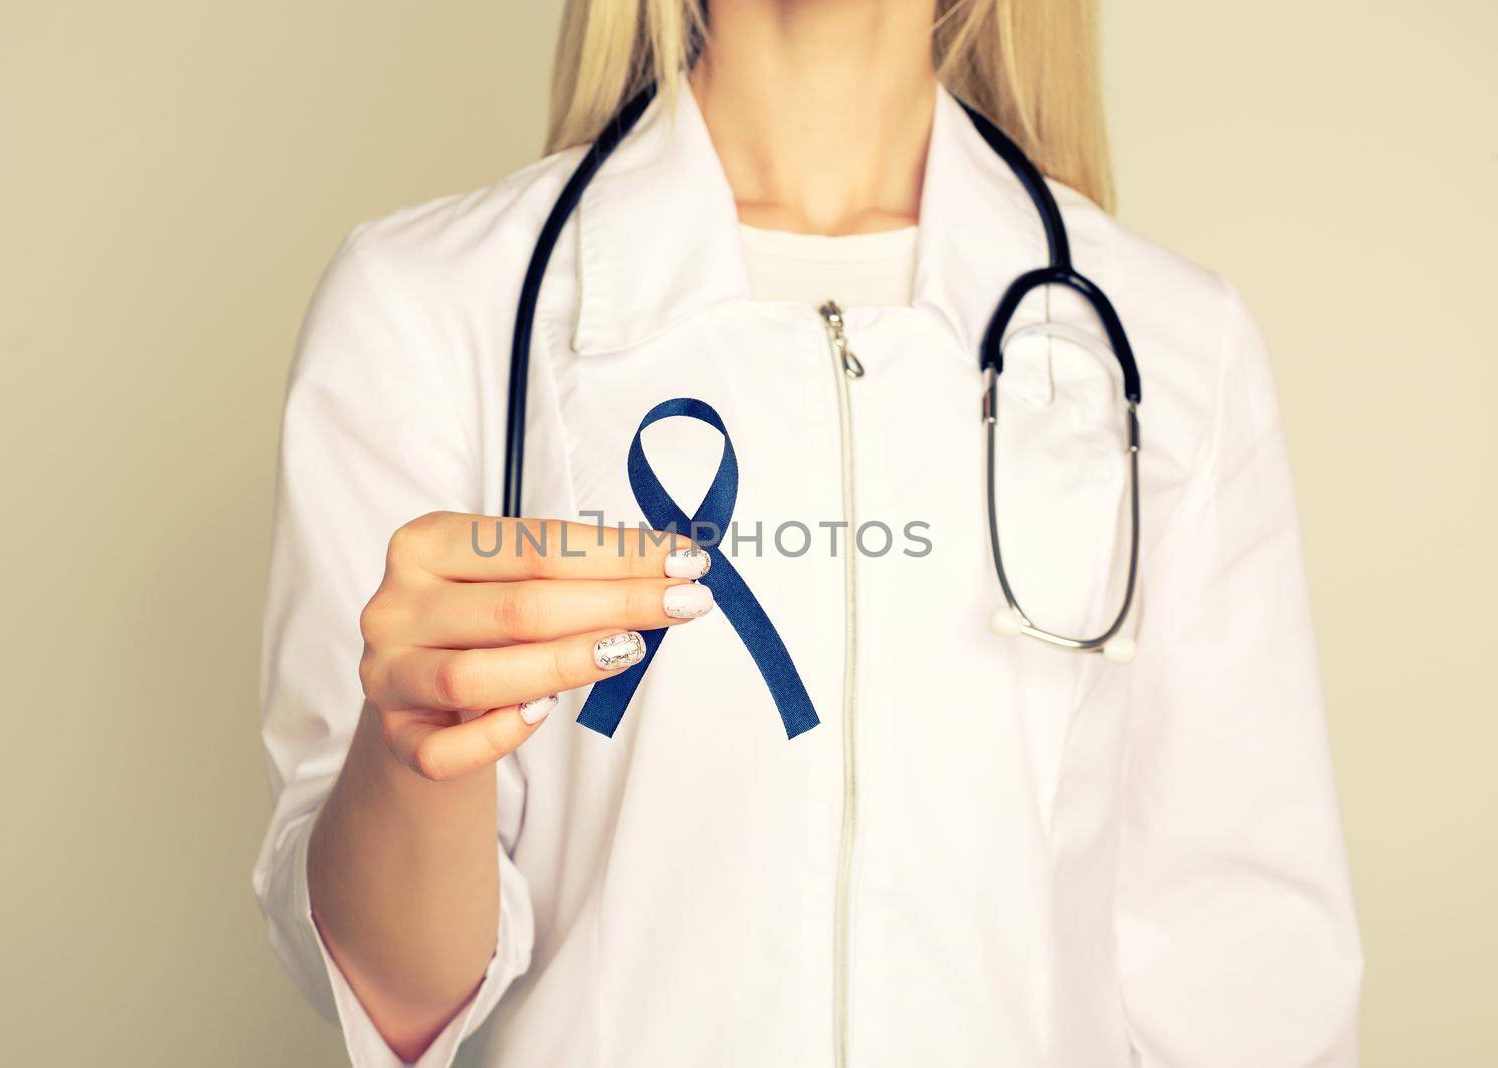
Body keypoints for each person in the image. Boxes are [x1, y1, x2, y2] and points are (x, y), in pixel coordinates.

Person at [253, 1, 1362, 1064]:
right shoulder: (431, 312)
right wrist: (417, 748)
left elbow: (1245, 971)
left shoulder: (1169, 345)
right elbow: (390, 997)